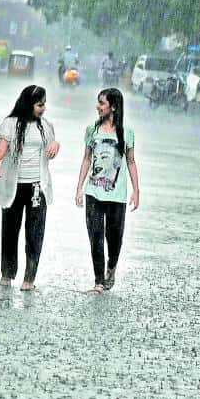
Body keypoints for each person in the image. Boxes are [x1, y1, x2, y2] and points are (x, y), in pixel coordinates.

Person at [0, 85, 60, 291]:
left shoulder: (45, 126)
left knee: (35, 234)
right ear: (29, 104)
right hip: (13, 186)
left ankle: (29, 279)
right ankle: (7, 274)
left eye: (44, 104)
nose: (43, 108)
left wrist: (56, 146)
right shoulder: (10, 124)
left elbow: (52, 145)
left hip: (37, 188)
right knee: (10, 232)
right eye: (40, 105)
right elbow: (2, 148)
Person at [74, 88, 140, 294]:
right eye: (97, 102)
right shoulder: (91, 130)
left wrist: (136, 191)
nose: (97, 107)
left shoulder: (127, 133)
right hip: (93, 192)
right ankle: (99, 281)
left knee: (114, 237)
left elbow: (130, 161)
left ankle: (112, 266)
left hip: (116, 195)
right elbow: (86, 159)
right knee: (95, 236)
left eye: (101, 103)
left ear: (113, 107)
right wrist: (79, 188)